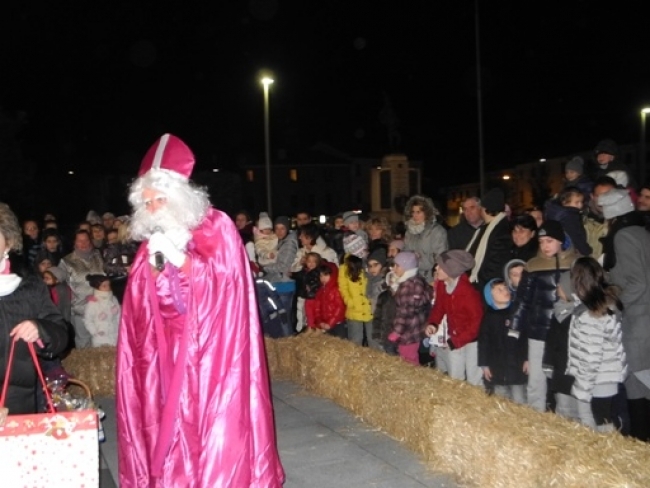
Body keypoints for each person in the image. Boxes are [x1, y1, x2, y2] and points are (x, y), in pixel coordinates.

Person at [116, 134, 284, 486]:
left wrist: (183, 261)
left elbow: (226, 285)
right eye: (146, 202)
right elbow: (141, 305)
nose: (153, 207)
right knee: (171, 420)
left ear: (179, 196)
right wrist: (155, 270)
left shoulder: (216, 227)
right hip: (167, 348)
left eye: (160, 199)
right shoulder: (149, 245)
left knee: (209, 422)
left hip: (212, 349)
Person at [0, 203, 69, 414]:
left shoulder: (30, 286)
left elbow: (61, 334)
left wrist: (40, 329)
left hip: (18, 400)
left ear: (8, 242)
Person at [509, 220, 579, 412]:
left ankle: (567, 418)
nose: (545, 246)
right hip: (538, 329)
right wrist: (515, 325)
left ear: (560, 241)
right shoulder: (533, 265)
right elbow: (523, 299)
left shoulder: (576, 263)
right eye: (541, 242)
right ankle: (536, 417)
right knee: (536, 378)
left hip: (566, 331)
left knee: (564, 377)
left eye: (549, 241)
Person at [598, 187, 650, 441]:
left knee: (638, 383)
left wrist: (615, 303)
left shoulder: (623, 236)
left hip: (638, 320)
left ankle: (640, 440)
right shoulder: (640, 230)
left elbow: (638, 283)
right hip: (642, 317)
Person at [566, 257, 627, 432]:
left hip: (596, 380)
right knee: (604, 420)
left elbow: (591, 356)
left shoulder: (590, 315)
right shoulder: (604, 306)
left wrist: (582, 390)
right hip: (606, 376)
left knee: (594, 424)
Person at [425, 250, 484, 385]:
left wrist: (456, 341)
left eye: (440, 266)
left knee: (473, 377)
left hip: (472, 340)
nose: (436, 268)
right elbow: (439, 306)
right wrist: (433, 323)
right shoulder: (442, 285)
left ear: (451, 270)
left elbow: (476, 323)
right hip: (454, 336)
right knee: (455, 376)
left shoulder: (468, 293)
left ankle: (476, 402)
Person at [478, 279, 528, 404]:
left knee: (519, 399)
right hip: (497, 368)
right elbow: (484, 342)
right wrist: (484, 365)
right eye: (499, 290)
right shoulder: (489, 317)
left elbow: (525, 338)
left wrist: (527, 358)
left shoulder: (517, 313)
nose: (505, 291)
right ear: (490, 297)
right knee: (501, 400)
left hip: (517, 367)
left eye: (505, 288)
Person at [59, 229, 105, 348]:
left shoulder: (100, 255)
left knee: (103, 341)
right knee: (84, 344)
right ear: (74, 242)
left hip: (102, 308)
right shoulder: (66, 261)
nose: (83, 243)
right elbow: (59, 285)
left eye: (86, 240)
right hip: (80, 310)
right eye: (80, 241)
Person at [387, 252, 433, 365]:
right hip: (412, 329)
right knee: (408, 358)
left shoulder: (409, 286)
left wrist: (397, 332)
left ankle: (414, 381)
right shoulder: (411, 281)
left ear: (406, 267)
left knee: (409, 360)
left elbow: (406, 312)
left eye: (397, 266)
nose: (394, 268)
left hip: (409, 331)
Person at [466, 188, 512, 291]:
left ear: (484, 209)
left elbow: (495, 265)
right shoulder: (488, 228)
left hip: (486, 287)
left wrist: (478, 284)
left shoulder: (501, 231)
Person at [339, 234, 374, 347]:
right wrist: (350, 301)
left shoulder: (369, 262)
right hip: (354, 309)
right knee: (355, 340)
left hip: (371, 307)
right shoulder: (345, 267)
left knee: (373, 339)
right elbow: (343, 287)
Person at [403, 194, 448, 282]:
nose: (415, 215)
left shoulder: (437, 231)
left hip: (430, 278)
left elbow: (440, 257)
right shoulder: (409, 232)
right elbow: (406, 253)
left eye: (418, 212)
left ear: (426, 213)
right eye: (413, 212)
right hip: (411, 277)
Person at [544, 187, 592, 256]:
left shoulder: (560, 214)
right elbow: (576, 235)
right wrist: (586, 251)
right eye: (577, 202)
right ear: (565, 203)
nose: (580, 205)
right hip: (571, 251)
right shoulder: (569, 216)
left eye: (581, 202)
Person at [310, 261, 347, 338]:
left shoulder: (335, 290)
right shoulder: (321, 290)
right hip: (325, 324)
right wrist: (320, 322)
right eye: (321, 276)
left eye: (326, 275)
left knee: (340, 344)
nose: (323, 278)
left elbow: (339, 308)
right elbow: (317, 308)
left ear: (332, 275)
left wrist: (330, 323)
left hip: (337, 324)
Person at [83, 274, 120, 347]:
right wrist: (95, 332)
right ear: (97, 287)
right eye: (104, 286)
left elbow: (119, 316)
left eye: (109, 285)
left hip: (115, 335)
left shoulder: (113, 299)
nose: (108, 287)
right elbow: (87, 320)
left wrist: (120, 327)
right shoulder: (93, 302)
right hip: (100, 337)